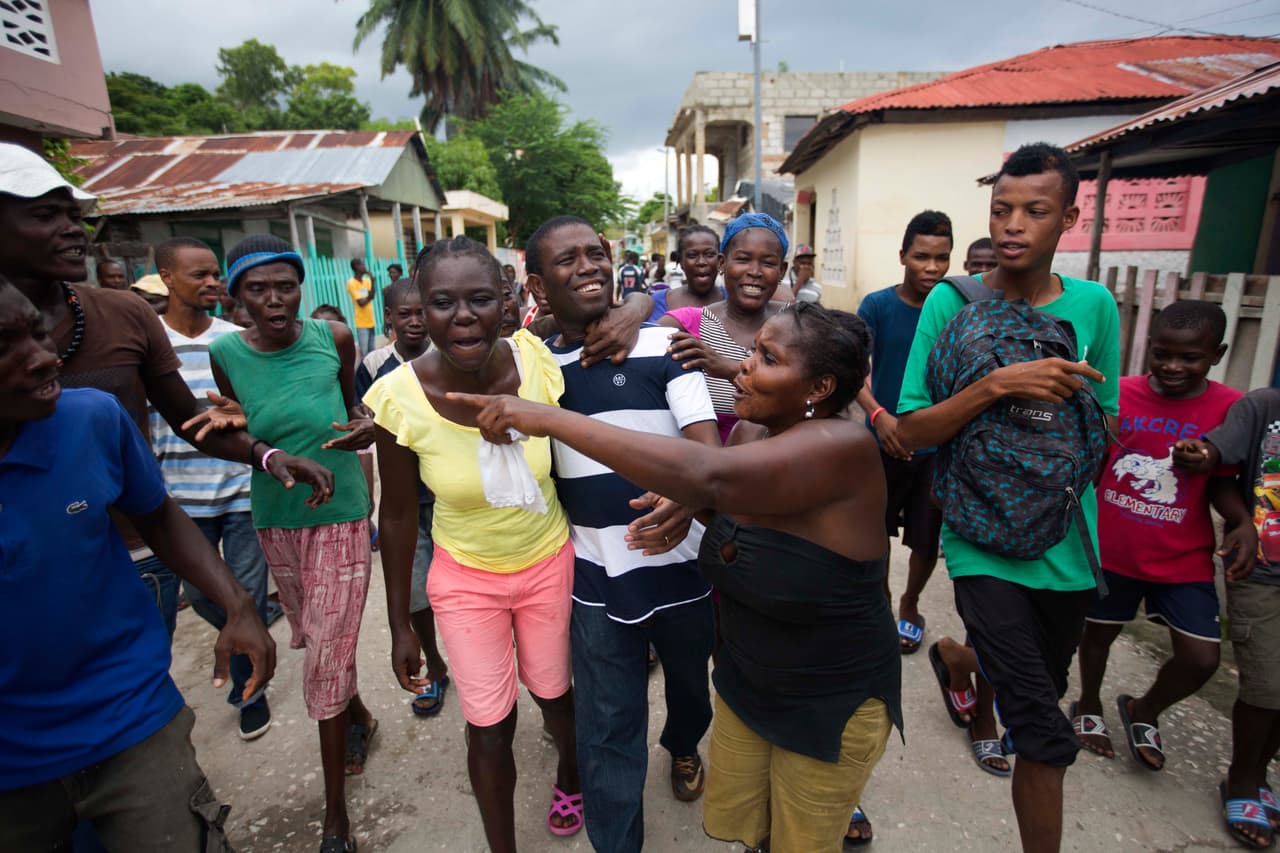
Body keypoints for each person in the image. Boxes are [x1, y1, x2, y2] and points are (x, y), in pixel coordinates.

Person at [451, 300, 901, 853]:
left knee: (802, 844)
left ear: (819, 388)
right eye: (754, 350)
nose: (743, 365)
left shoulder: (844, 446)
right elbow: (728, 499)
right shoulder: (751, 434)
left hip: (828, 699)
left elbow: (711, 475)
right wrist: (691, 505)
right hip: (748, 685)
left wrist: (546, 418)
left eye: (767, 358)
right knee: (755, 832)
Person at [0, 141, 333, 640]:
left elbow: (189, 418)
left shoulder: (125, 315)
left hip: (134, 550)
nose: (73, 229)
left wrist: (266, 456)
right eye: (47, 215)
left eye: (75, 216)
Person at [894, 142, 1121, 853]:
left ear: (1070, 218)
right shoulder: (951, 301)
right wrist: (997, 385)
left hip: (1065, 544)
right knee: (1043, 731)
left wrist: (1046, 465)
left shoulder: (1095, 306)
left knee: (1036, 691)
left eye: (1035, 211)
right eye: (1002, 210)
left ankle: (961, 659)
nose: (1013, 225)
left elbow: (1105, 425)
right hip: (978, 539)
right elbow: (910, 430)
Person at [0, 276, 276, 851]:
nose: (45, 357)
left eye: (37, 332)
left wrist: (238, 604)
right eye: (6, 345)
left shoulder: (90, 419)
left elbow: (156, 513)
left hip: (130, 715)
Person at [365, 236, 582, 851]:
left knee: (556, 697)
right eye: (442, 303)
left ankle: (571, 775)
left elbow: (608, 310)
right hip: (465, 579)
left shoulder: (536, 362)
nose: (463, 317)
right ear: (420, 309)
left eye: (480, 299)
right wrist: (401, 625)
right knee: (489, 724)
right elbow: (398, 515)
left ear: (506, 301)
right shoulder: (397, 399)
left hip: (549, 564)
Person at [524, 215, 721, 852]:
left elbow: (707, 451)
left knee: (691, 691)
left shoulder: (665, 345)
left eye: (596, 253)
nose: (588, 266)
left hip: (684, 567)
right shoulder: (535, 370)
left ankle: (683, 743)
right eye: (567, 260)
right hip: (596, 575)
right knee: (608, 724)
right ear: (537, 286)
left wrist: (688, 493)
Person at [206, 234, 375, 853]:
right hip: (275, 517)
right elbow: (237, 426)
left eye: (286, 286)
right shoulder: (225, 353)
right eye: (258, 289)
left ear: (301, 288)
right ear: (236, 297)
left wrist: (365, 427)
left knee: (325, 656)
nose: (274, 299)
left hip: (341, 512)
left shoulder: (335, 338)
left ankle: (335, 821)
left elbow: (354, 408)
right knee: (317, 634)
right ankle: (359, 716)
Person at [1072, 301, 1249, 772]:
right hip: (1113, 549)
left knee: (1202, 658)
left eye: (1189, 358)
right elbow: (1095, 463)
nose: (1172, 366)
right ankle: (1087, 702)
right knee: (1096, 636)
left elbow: (1225, 480)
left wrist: (1241, 520)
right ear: (1148, 347)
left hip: (1182, 557)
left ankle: (1144, 709)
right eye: (1162, 354)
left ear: (1217, 354)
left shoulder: (1230, 407)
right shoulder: (1119, 393)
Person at [153, 235, 276, 741]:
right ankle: (250, 635)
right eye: (198, 274)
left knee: (245, 593)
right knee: (205, 596)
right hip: (180, 497)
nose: (212, 283)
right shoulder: (150, 343)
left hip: (242, 488)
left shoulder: (234, 341)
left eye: (215, 274)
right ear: (167, 277)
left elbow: (260, 409)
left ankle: (250, 691)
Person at [1175, 389, 1280, 849]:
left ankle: (1260, 772)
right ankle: (1242, 778)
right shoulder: (1264, 408)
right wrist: (1242, 522)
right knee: (1266, 684)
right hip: (1265, 569)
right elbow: (1218, 467)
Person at [856, 210, 953, 656]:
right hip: (881, 442)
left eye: (941, 258)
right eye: (921, 257)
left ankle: (910, 603)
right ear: (902, 257)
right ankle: (881, 601)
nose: (931, 268)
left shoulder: (957, 309)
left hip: (936, 448)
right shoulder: (877, 306)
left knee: (926, 538)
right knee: (873, 534)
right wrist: (879, 416)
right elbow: (853, 370)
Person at [354, 278, 450, 717]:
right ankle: (434, 664)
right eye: (404, 314)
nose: (414, 322)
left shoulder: (447, 355)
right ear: (388, 318)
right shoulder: (375, 365)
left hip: (448, 495)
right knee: (415, 592)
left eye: (421, 312)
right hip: (404, 500)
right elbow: (364, 421)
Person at [660, 212, 790, 444]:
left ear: (782, 271)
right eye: (743, 259)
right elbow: (632, 338)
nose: (755, 271)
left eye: (768, 263)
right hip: (705, 462)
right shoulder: (690, 323)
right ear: (722, 263)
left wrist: (728, 368)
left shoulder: (797, 322)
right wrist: (636, 304)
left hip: (782, 460)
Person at [646, 225, 724, 323]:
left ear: (720, 261)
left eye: (709, 255)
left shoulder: (734, 301)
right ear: (680, 262)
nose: (701, 262)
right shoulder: (657, 302)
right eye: (692, 255)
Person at [346, 258, 376, 355]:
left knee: (372, 352)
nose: (364, 267)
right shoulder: (351, 283)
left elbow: (372, 296)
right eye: (362, 264)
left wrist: (372, 281)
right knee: (364, 352)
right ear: (356, 267)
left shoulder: (367, 281)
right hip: (361, 323)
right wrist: (368, 297)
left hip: (371, 321)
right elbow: (361, 303)